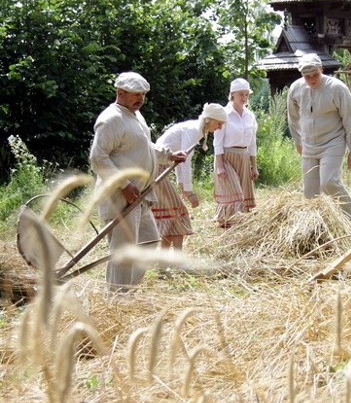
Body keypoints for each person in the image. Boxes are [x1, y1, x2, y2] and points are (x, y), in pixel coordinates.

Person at [89, 71, 187, 293]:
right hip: (120, 196)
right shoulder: (111, 119)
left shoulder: (135, 116)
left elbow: (145, 147)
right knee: (123, 251)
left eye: (143, 94)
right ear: (120, 92)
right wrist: (124, 185)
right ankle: (116, 299)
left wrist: (169, 155)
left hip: (140, 196)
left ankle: (126, 291)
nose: (141, 99)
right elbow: (98, 158)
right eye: (136, 94)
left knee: (149, 243)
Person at [287, 53, 351, 231]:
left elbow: (350, 118)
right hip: (309, 143)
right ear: (302, 75)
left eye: (315, 75)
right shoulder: (296, 89)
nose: (312, 80)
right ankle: (317, 230)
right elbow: (292, 117)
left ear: (321, 69)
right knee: (310, 192)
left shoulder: (337, 88)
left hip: (333, 141)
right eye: (307, 77)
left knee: (329, 181)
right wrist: (297, 139)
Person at [153, 103, 228, 249]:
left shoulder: (197, 130)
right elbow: (184, 161)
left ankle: (167, 263)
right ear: (210, 120)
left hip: (160, 167)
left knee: (173, 216)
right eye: (219, 123)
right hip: (156, 168)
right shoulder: (194, 130)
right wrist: (189, 192)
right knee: (178, 215)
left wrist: (183, 186)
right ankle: (175, 262)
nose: (220, 127)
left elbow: (180, 160)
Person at [213, 78, 259, 228]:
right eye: (241, 94)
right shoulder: (224, 114)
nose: (244, 98)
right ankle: (227, 224)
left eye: (246, 94)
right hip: (227, 157)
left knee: (243, 194)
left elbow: (252, 143)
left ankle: (239, 226)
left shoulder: (250, 116)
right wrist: (220, 166)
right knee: (234, 194)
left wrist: (254, 166)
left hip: (244, 157)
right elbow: (218, 142)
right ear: (232, 94)